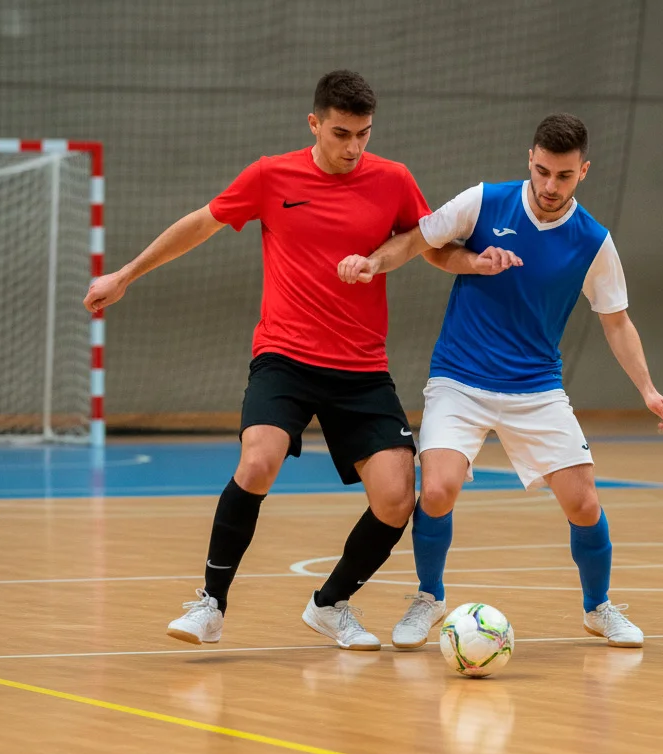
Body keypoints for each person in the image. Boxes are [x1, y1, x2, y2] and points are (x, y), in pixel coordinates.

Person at [84, 70, 435, 651]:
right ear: (314, 124)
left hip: (361, 365)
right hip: (285, 356)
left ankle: (330, 604)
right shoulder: (272, 175)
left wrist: (386, 259)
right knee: (258, 461)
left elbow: (421, 238)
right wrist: (125, 275)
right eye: (341, 133)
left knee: (397, 499)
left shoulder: (394, 179)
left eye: (364, 134)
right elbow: (201, 224)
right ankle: (210, 605)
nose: (353, 147)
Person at [336, 113, 663, 649]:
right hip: (459, 378)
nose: (550, 186)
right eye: (542, 171)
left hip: (536, 387)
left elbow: (616, 321)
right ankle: (429, 597)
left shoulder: (593, 241)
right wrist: (377, 264)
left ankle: (599, 607)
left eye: (563, 176)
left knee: (584, 503)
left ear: (583, 171)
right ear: (530, 159)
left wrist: (648, 390)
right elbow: (419, 241)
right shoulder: (483, 201)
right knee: (437, 489)